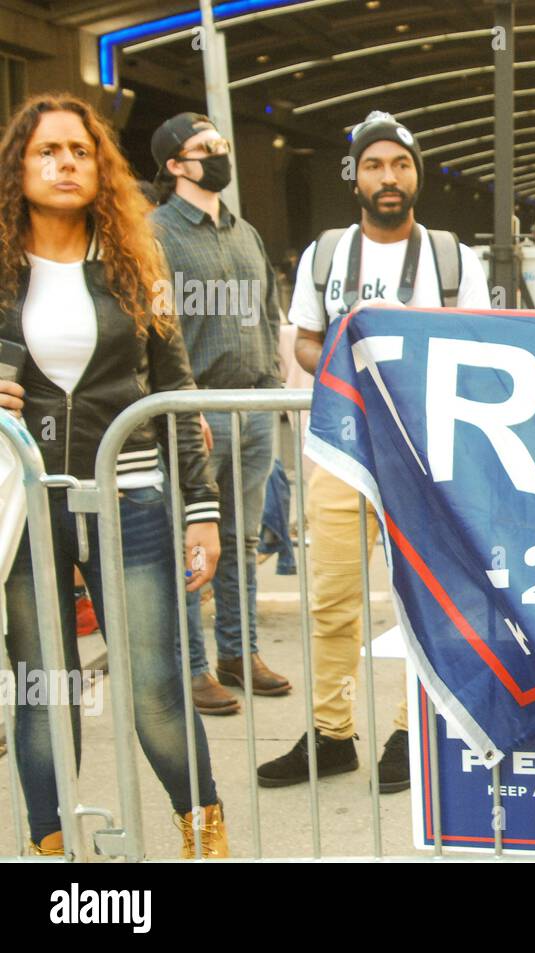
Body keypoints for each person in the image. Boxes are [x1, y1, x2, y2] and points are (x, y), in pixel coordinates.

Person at [0, 94, 228, 857]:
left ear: (101, 166)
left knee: (156, 689)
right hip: (26, 502)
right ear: (19, 167)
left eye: (80, 150)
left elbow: (175, 390)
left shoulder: (137, 262)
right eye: (47, 151)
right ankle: (53, 852)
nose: (66, 162)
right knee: (45, 691)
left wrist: (203, 507)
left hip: (129, 497)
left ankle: (207, 840)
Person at [262, 111, 490, 792]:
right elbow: (305, 338)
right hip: (341, 448)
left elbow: (481, 340)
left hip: (423, 461)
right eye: (373, 165)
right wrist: (340, 356)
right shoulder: (323, 255)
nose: (387, 177)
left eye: (399, 164)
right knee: (331, 597)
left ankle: (407, 731)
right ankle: (331, 735)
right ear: (355, 176)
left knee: (418, 599)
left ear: (416, 174)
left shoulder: (453, 257)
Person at [150, 112, 291, 715]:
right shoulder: (154, 234)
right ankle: (192, 665)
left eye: (220, 144)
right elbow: (156, 330)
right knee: (193, 544)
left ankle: (239, 652)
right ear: (175, 165)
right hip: (197, 411)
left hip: (253, 406)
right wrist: (180, 408)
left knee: (241, 537)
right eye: (203, 147)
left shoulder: (246, 233)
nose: (218, 153)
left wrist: (272, 386)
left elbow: (266, 315)